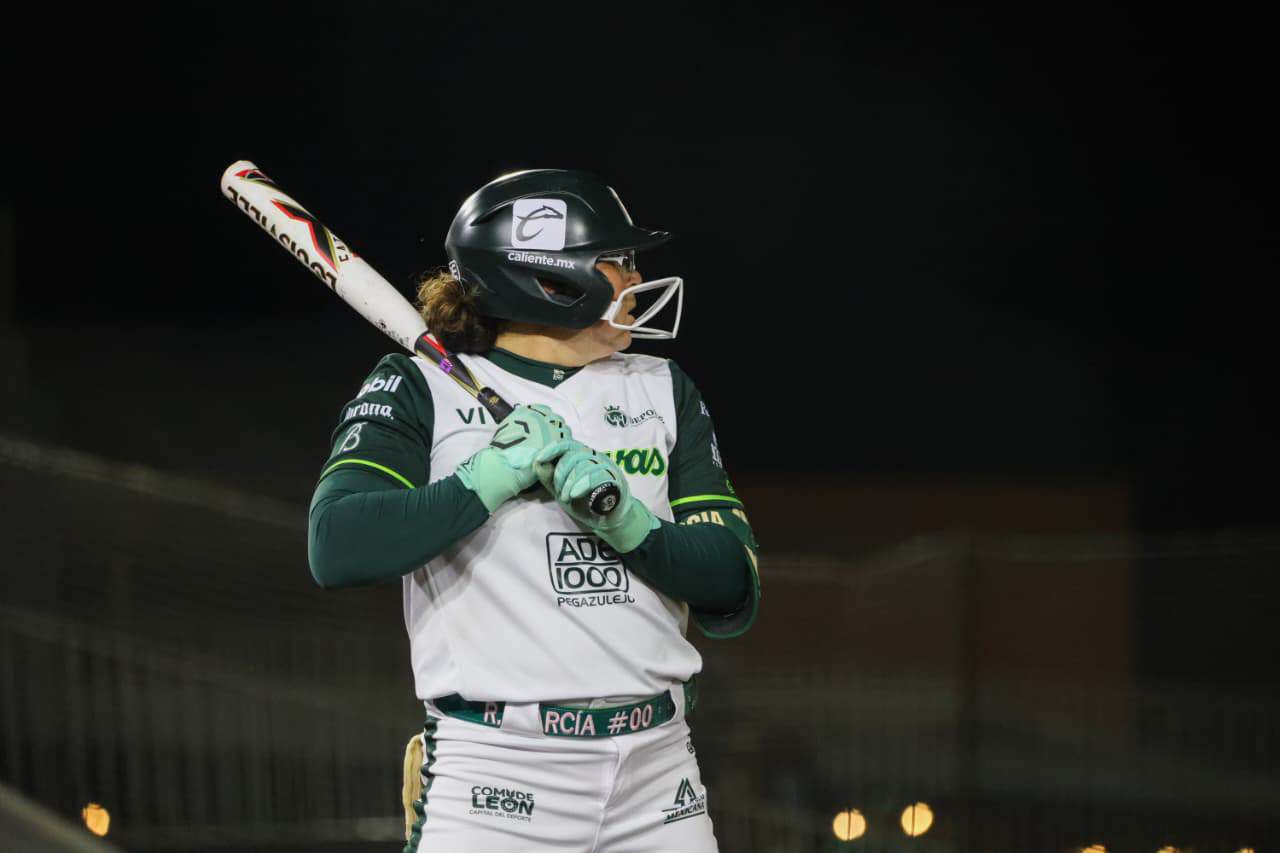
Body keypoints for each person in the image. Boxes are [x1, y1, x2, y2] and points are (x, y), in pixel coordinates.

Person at [307, 169, 760, 852]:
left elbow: (733, 581)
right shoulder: (418, 386)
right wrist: (487, 479)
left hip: (658, 772)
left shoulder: (664, 388)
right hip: (497, 776)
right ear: (553, 277)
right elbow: (335, 544)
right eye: (620, 259)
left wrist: (627, 523)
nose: (637, 276)